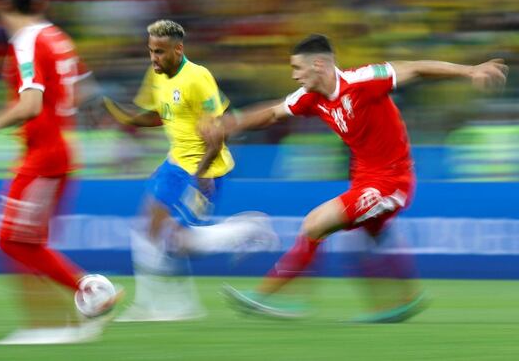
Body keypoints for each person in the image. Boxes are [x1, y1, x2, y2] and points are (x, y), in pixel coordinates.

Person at [207, 34, 509, 322]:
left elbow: (415, 69)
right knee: (367, 240)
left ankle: (270, 295)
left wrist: (471, 70)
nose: (295, 76)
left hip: (392, 181)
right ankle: (404, 300)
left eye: (297, 68)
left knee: (316, 223)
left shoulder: (363, 80)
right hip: (364, 180)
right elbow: (273, 113)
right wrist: (231, 125)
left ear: (319, 65)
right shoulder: (310, 97)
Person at [0, 0, 118, 344]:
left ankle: (85, 293)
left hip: (44, 154)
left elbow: (31, 104)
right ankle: (58, 320)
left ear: (2, 5)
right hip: (59, 150)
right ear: (40, 2)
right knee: (25, 240)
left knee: (11, 240)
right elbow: (86, 92)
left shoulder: (27, 42)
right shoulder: (57, 37)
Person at [101, 19, 275, 322]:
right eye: (151, 51)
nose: (154, 58)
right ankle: (153, 305)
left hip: (205, 168)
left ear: (178, 49)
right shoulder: (156, 75)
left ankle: (248, 230)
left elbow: (217, 131)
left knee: (178, 244)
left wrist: (204, 171)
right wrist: (129, 119)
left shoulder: (198, 78)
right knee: (147, 230)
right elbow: (160, 114)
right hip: (175, 163)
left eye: (159, 52)